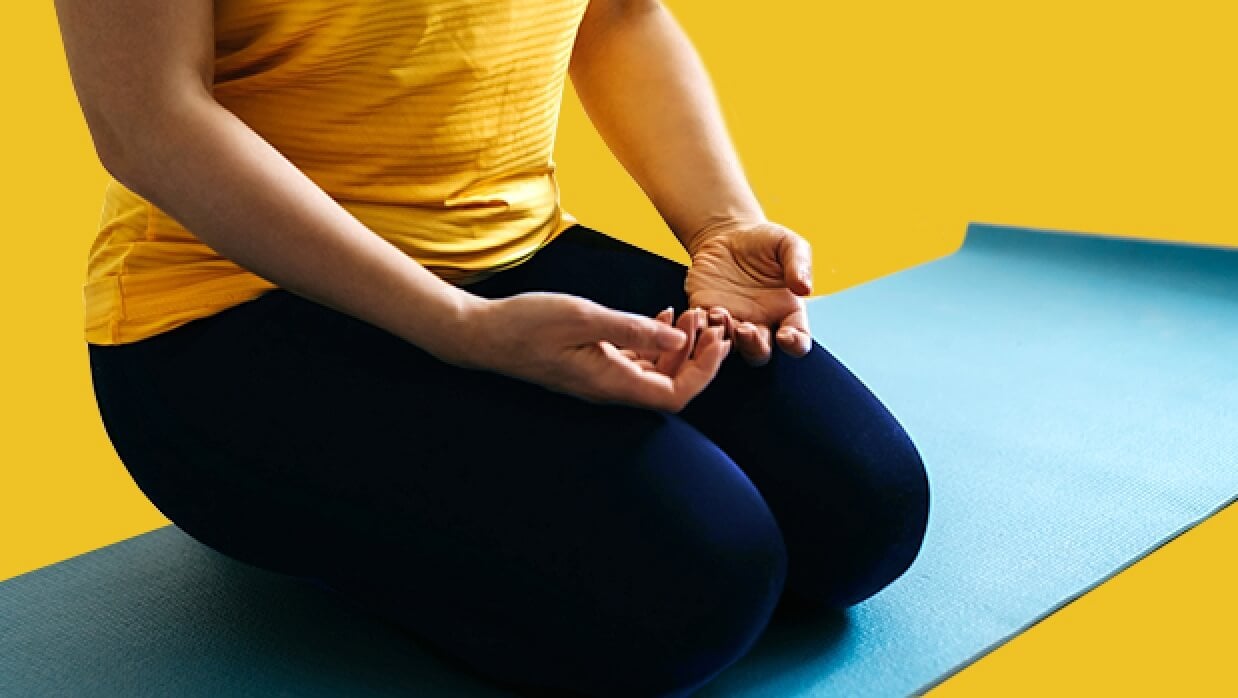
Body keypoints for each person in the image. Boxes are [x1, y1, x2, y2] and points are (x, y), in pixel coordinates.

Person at [55, 0, 930, 695]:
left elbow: (620, 15)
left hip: (517, 260)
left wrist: (722, 224)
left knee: (864, 514)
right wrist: (455, 328)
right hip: (225, 315)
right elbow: (149, 119)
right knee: (688, 590)